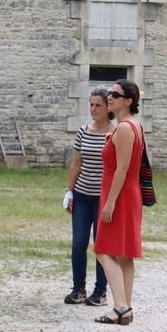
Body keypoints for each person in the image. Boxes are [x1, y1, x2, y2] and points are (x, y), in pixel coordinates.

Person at [93, 79, 145, 326]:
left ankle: (121, 307)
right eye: (109, 93)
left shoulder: (125, 128)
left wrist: (110, 202)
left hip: (120, 193)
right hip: (126, 192)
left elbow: (122, 169)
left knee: (103, 251)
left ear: (128, 101)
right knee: (123, 255)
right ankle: (125, 307)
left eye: (115, 94)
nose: (109, 97)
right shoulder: (132, 125)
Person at [62, 87, 112, 306]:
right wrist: (69, 191)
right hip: (82, 195)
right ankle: (78, 289)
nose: (93, 109)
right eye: (91, 104)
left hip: (103, 198)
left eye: (98, 105)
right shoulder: (83, 130)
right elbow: (76, 162)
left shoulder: (115, 133)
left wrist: (113, 200)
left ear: (108, 107)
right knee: (78, 242)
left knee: (101, 245)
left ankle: (100, 292)